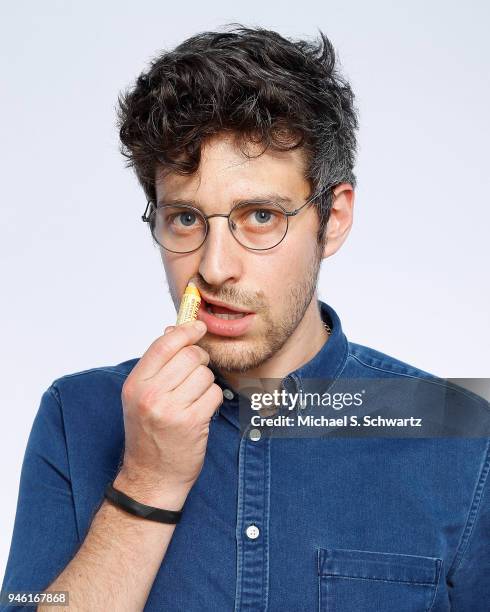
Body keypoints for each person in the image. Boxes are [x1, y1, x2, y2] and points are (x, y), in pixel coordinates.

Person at [1, 25, 489, 612]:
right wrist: (145, 483)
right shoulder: (77, 415)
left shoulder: (459, 430)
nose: (213, 267)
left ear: (332, 218)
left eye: (259, 215)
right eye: (185, 218)